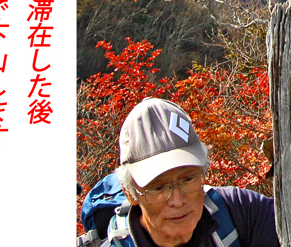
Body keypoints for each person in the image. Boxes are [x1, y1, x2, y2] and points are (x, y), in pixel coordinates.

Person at [105, 98, 281, 247]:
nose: (178, 201)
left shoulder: (240, 212)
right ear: (130, 193)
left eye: (188, 179)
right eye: (159, 188)